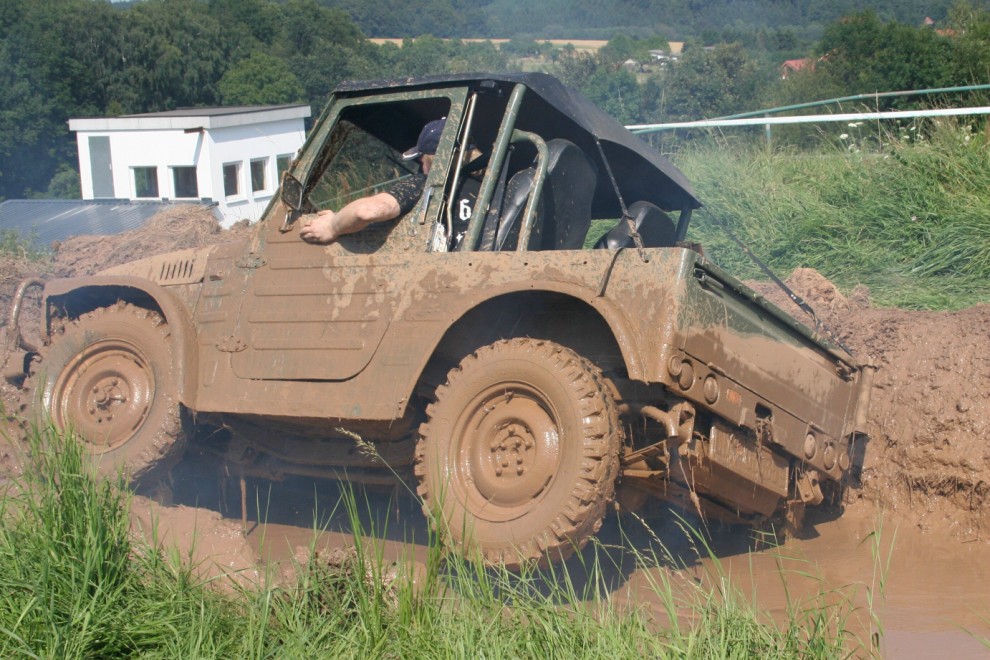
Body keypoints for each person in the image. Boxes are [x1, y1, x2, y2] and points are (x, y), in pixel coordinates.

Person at [300, 118, 454, 245]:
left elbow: (367, 211)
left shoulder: (424, 184)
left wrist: (332, 225)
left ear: (429, 157)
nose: (420, 161)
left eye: (422, 156)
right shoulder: (477, 185)